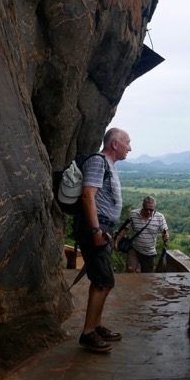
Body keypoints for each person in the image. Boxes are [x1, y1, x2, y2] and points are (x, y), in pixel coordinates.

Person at [74, 127, 132, 353]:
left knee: (102, 280)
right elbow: (88, 195)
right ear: (115, 144)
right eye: (127, 142)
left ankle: (96, 326)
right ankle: (88, 333)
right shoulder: (98, 162)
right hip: (96, 228)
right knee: (103, 281)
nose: (130, 148)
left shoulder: (109, 164)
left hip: (102, 227)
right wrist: (95, 230)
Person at [115, 196, 169, 273]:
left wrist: (165, 237)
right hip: (134, 248)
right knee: (130, 268)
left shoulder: (160, 217)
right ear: (142, 206)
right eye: (146, 209)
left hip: (149, 252)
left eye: (151, 210)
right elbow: (125, 229)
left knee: (147, 276)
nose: (148, 212)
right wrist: (116, 241)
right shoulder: (133, 214)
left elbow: (165, 232)